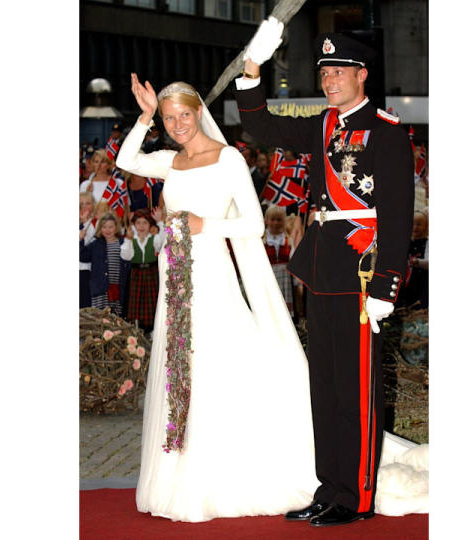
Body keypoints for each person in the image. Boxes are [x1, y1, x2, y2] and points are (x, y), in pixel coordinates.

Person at [115, 73, 318, 522]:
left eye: (183, 115)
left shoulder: (227, 160)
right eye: (169, 119)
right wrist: (144, 117)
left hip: (211, 274)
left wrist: (207, 226)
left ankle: (223, 471)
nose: (177, 124)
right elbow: (128, 158)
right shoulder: (170, 160)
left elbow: (254, 225)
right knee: (179, 365)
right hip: (174, 278)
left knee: (212, 361)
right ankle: (181, 470)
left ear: (198, 113)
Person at [236, 22, 416, 527]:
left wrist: (387, 286)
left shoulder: (386, 131)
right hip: (322, 270)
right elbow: (261, 128)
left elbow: (398, 217)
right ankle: (330, 487)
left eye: (338, 71)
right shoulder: (321, 125)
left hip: (363, 275)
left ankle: (356, 496)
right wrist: (253, 68)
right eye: (324, 72)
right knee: (327, 389)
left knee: (356, 392)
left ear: (362, 74)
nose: (329, 80)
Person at [120, 208, 165, 332]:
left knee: (152, 302)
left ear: (150, 225)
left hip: (151, 274)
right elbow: (126, 256)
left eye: (145, 223)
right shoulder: (131, 238)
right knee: (136, 302)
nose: (141, 226)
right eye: (138, 223)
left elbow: (163, 242)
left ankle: (153, 331)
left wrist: (160, 221)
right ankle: (136, 330)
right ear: (134, 225)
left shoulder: (154, 238)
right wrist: (128, 239)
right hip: (136, 274)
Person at [82, 212, 131, 315]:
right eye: (104, 227)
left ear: (116, 227)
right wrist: (80, 240)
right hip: (100, 290)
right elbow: (83, 257)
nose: (107, 230)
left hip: (117, 288)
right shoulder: (96, 244)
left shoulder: (122, 242)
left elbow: (128, 260)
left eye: (110, 227)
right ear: (100, 228)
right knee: (100, 318)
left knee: (116, 318)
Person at [263, 205, 295, 315]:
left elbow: (293, 259)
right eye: (272, 219)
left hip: (285, 280)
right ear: (266, 220)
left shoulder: (288, 240)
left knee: (284, 309)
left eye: (279, 220)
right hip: (268, 277)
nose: (276, 223)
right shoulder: (262, 240)